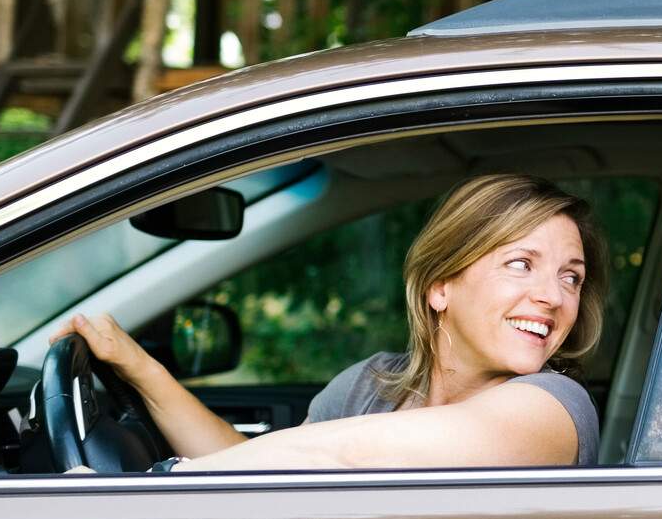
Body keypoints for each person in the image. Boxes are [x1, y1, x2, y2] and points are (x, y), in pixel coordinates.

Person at [58, 173, 607, 472]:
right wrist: (137, 367)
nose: (552, 297)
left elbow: (344, 455)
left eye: (571, 277)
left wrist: (161, 483)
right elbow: (250, 464)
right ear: (441, 285)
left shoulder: (553, 407)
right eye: (521, 264)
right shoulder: (370, 387)